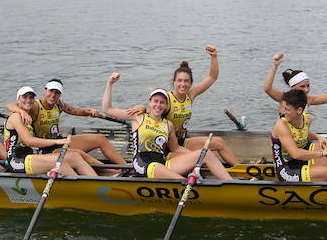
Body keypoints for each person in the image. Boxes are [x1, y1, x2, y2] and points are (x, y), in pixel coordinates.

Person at [100, 74, 236, 181]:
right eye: (155, 101)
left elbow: (176, 148)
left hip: (162, 162)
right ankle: (189, 185)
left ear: (166, 106)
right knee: (176, 177)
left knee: (206, 154)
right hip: (142, 163)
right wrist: (110, 83)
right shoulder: (138, 117)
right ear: (149, 102)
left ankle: (235, 185)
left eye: (162, 102)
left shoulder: (168, 124)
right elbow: (107, 108)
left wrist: (197, 157)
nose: (158, 105)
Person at [5, 78, 128, 165]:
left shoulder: (59, 105)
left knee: (100, 138)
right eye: (51, 91)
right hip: (44, 149)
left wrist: (89, 111)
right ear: (44, 91)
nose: (53, 95)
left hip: (59, 141)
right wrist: (22, 112)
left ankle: (125, 167)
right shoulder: (35, 106)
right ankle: (113, 171)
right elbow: (10, 105)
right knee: (78, 154)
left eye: (57, 93)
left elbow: (76, 111)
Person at [165, 47, 239, 166]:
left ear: (191, 83)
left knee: (218, 142)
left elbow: (212, 77)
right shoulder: (166, 99)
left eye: (186, 81)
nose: (182, 84)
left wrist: (214, 57)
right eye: (179, 81)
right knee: (204, 159)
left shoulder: (190, 95)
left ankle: (245, 171)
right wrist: (142, 108)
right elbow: (151, 110)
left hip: (181, 142)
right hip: (167, 148)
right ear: (173, 82)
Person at [3, 86, 99, 177]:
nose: (28, 100)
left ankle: (98, 182)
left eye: (31, 97)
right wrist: (58, 141)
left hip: (30, 156)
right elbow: (29, 141)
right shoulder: (16, 117)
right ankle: (85, 188)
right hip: (16, 161)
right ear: (18, 100)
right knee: (59, 162)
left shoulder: (27, 116)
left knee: (75, 156)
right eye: (24, 97)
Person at [271, 89, 327, 182]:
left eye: (287, 109)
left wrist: (318, 137)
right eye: (283, 108)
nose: (283, 112)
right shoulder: (281, 125)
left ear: (299, 110)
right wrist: (321, 154)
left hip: (300, 162)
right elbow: (296, 154)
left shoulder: (307, 119)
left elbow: (303, 133)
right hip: (285, 170)